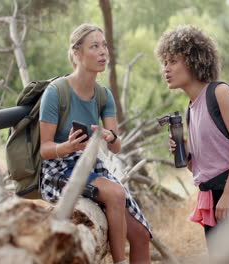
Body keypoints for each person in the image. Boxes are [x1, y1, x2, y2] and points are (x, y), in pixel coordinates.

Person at [39, 24, 151, 264]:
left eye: (104, 45)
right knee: (115, 192)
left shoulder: (103, 95)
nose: (103, 52)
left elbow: (116, 147)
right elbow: (44, 149)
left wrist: (110, 137)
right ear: (77, 54)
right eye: (95, 46)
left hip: (90, 165)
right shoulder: (55, 93)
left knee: (141, 236)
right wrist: (66, 147)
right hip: (57, 170)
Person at [155, 25, 229, 247]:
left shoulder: (219, 93)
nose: (166, 69)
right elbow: (203, 168)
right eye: (165, 63)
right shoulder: (192, 108)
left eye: (173, 61)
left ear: (194, 60)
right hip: (210, 196)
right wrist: (188, 157)